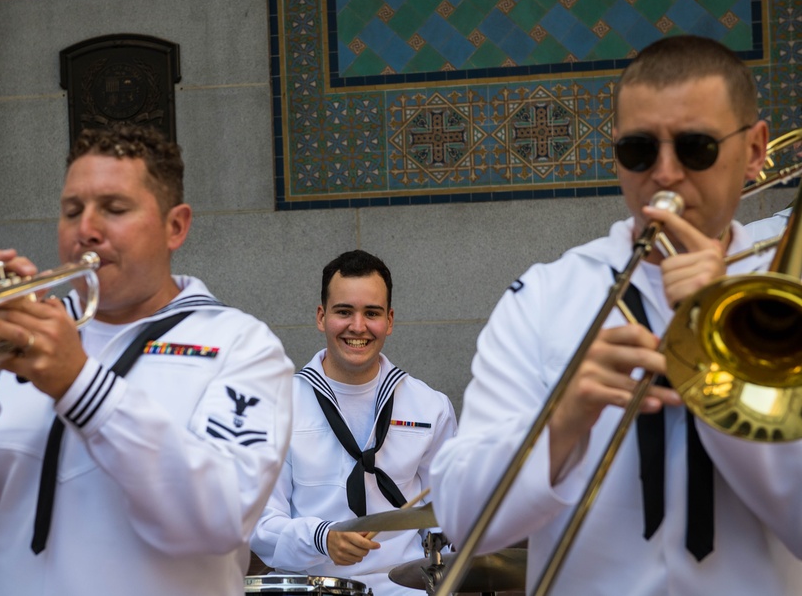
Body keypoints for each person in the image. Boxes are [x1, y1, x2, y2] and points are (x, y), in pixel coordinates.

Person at [430, 35, 802, 594]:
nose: (666, 173)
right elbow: (460, 516)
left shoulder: (788, 294)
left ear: (754, 151)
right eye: (639, 150)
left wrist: (720, 336)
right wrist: (562, 422)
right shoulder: (543, 296)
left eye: (696, 147)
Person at [0, 125, 295, 595]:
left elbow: (219, 519)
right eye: (71, 211)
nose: (86, 230)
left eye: (114, 209)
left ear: (175, 225)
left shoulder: (242, 346)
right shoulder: (14, 338)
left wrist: (79, 384)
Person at [250, 250, 457, 595]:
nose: (358, 326)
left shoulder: (430, 407)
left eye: (371, 313)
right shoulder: (276, 405)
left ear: (389, 320)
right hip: (309, 586)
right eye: (344, 311)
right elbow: (259, 522)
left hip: (405, 588)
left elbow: (450, 513)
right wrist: (322, 538)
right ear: (321, 316)